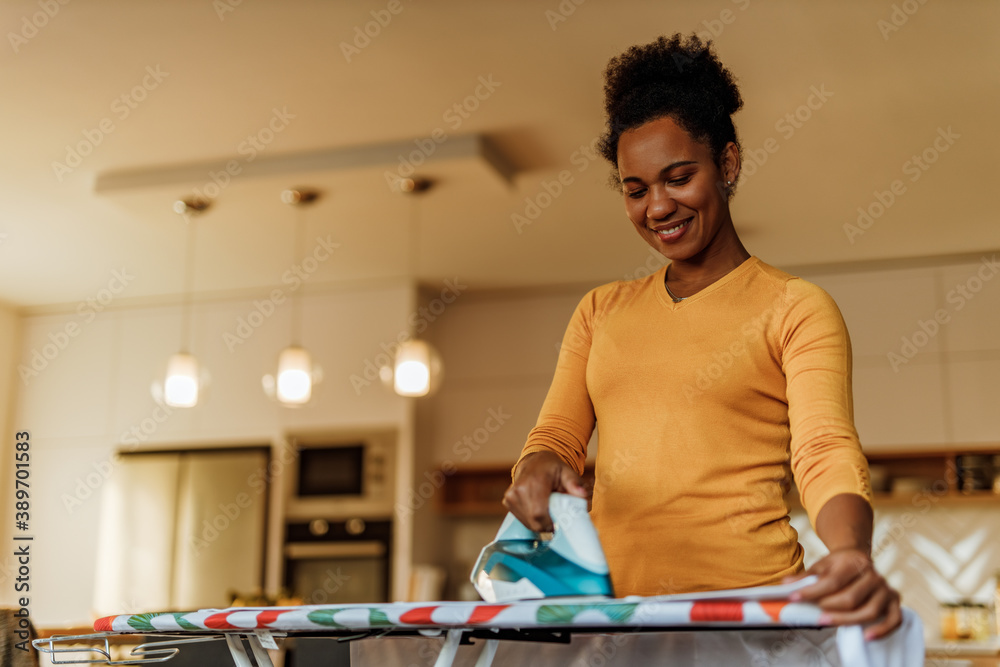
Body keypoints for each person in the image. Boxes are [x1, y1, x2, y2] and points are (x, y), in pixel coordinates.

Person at [502, 33, 902, 640]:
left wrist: (849, 553)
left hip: (750, 619)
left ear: (729, 164)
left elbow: (823, 452)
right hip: (618, 624)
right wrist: (535, 467)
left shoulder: (795, 307)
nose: (657, 207)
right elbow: (557, 438)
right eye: (635, 190)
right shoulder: (599, 311)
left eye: (678, 177)